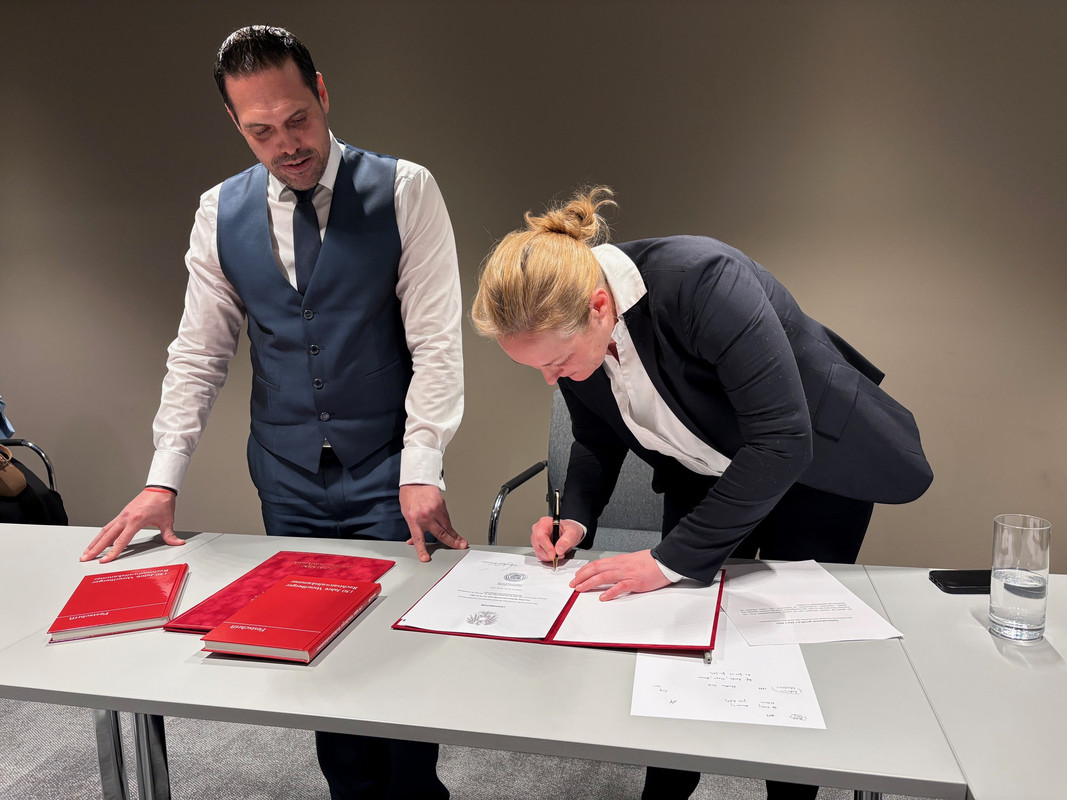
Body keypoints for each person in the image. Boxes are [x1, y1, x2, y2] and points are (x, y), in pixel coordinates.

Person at [81, 25, 466, 800]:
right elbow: (198, 354)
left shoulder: (404, 189)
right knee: (312, 653)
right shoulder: (217, 212)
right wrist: (161, 479)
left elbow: (436, 343)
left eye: (297, 119)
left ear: (321, 93)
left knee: (399, 662)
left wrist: (422, 465)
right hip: (288, 477)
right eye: (261, 131)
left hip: (387, 469)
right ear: (233, 122)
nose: (286, 144)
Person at [470, 187, 932, 800]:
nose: (552, 380)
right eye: (538, 369)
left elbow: (782, 442)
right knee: (675, 641)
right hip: (702, 473)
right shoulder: (572, 334)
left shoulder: (701, 280)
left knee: (789, 653)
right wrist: (575, 517)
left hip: (811, 472)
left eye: (557, 362)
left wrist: (667, 559)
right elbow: (595, 438)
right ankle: (666, 787)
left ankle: (790, 794)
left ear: (600, 307)